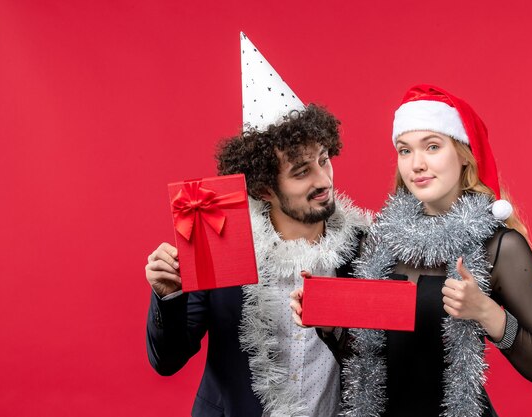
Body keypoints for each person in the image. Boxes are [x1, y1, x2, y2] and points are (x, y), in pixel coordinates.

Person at [291, 84, 532, 417]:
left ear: (464, 154)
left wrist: (487, 312)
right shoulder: (378, 242)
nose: (416, 164)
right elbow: (366, 363)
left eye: (432, 147)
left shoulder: (499, 246)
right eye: (405, 150)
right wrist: (324, 316)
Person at [145, 33, 369, 417]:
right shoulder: (219, 239)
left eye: (324, 159)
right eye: (301, 172)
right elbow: (167, 361)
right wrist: (169, 296)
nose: (324, 180)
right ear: (265, 187)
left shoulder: (364, 246)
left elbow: (381, 361)